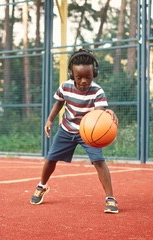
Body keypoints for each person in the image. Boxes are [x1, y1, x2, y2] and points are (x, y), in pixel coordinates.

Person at [30, 48, 119, 214]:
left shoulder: (97, 91)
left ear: (95, 74)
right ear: (72, 74)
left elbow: (99, 111)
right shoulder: (66, 87)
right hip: (66, 129)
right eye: (79, 77)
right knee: (50, 159)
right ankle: (42, 185)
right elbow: (59, 102)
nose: (84, 81)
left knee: (99, 161)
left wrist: (107, 113)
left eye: (88, 77)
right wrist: (50, 119)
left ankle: (110, 198)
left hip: (89, 133)